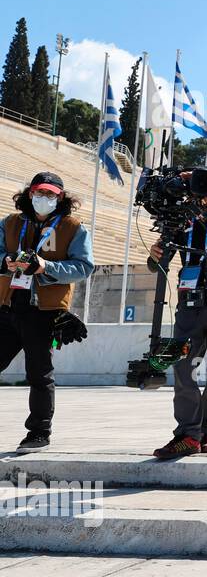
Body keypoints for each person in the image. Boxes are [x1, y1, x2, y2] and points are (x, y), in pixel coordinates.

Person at [147, 174, 207, 459]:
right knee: (181, 365)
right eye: (194, 194)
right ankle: (188, 433)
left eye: (203, 193)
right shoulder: (183, 223)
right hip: (189, 304)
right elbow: (157, 266)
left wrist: (203, 179)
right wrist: (155, 256)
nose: (199, 199)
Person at [0, 172, 93, 452]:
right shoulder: (10, 222)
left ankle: (39, 432)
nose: (45, 198)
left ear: (60, 198)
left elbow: (83, 267)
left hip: (44, 310)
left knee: (40, 373)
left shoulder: (73, 228)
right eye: (40, 193)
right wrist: (7, 260)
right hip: (7, 304)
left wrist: (45, 267)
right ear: (30, 193)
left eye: (51, 194)